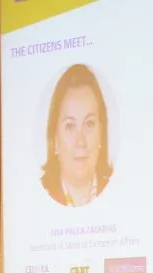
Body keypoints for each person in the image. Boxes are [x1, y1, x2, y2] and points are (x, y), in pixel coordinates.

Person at [40, 64, 113, 207]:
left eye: (89, 124)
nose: (80, 142)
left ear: (101, 134)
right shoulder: (37, 199)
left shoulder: (119, 192)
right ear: (55, 139)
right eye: (70, 126)